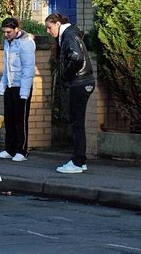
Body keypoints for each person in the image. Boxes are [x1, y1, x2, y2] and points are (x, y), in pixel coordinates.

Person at [45, 13, 95, 174]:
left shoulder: (68, 36)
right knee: (77, 123)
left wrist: (66, 75)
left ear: (58, 24)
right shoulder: (70, 34)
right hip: (83, 82)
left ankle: (78, 162)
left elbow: (76, 57)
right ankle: (80, 160)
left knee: (77, 123)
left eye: (49, 27)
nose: (48, 31)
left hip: (80, 82)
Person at [0, 17, 36, 162]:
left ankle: (22, 150)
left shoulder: (26, 43)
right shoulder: (8, 42)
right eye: (4, 32)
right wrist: (3, 85)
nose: (6, 35)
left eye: (8, 32)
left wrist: (24, 91)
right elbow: (7, 67)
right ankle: (10, 149)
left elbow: (28, 68)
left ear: (17, 30)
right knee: (9, 118)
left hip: (21, 86)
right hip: (11, 85)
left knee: (20, 120)